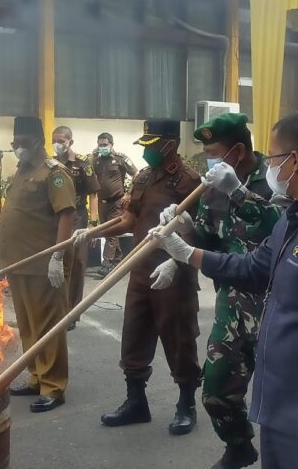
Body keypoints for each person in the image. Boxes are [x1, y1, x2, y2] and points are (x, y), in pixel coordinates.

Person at [150, 110, 298, 469]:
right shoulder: (295, 219)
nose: (270, 165)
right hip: (278, 403)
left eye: (273, 157)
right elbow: (252, 267)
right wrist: (184, 252)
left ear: (292, 161)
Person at [153, 113, 283, 469]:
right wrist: (182, 235)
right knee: (216, 388)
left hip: (276, 306)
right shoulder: (211, 189)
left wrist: (239, 193)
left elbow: (279, 226)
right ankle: (239, 446)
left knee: (281, 398)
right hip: (233, 303)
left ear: (238, 151)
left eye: (213, 151)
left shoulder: (277, 182)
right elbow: (210, 240)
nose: (208, 159)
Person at [74, 120, 202, 435]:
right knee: (134, 334)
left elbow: (201, 231)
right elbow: (129, 220)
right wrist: (93, 231)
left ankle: (186, 404)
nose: (146, 150)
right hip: (142, 269)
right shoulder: (143, 177)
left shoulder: (189, 181)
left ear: (169, 145)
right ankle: (136, 403)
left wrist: (177, 259)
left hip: (174, 271)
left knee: (179, 339)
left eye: (151, 144)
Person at [0, 116, 76, 413]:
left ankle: (53, 386)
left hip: (42, 264)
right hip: (17, 262)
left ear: (38, 142)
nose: (18, 149)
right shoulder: (22, 170)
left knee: (48, 326)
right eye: (15, 144)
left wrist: (58, 255)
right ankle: (36, 376)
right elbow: (20, 207)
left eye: (23, 144)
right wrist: (1, 223)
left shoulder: (54, 173)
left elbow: (67, 215)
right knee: (28, 325)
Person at [52, 125, 99, 328]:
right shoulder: (50, 162)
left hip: (78, 218)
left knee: (77, 264)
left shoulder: (82, 163)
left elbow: (93, 194)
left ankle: (72, 312)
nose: (57, 144)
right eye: (54, 140)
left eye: (61, 140)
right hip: (56, 218)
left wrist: (93, 223)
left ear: (70, 141)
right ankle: (57, 310)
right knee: (58, 262)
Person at [91, 133, 137, 277]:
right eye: (100, 145)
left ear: (112, 144)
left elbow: (136, 174)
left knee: (111, 231)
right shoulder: (96, 160)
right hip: (101, 202)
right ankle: (117, 259)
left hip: (116, 201)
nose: (102, 147)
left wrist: (129, 193)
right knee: (109, 232)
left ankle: (106, 263)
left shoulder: (120, 159)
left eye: (105, 145)